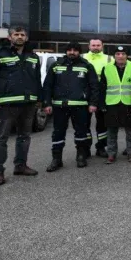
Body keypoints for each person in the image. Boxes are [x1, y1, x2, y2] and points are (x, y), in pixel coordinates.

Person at [0, 26, 42, 185]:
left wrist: (40, 99)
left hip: (28, 104)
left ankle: (20, 166)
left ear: (26, 38)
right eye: (16, 34)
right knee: (1, 139)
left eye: (22, 34)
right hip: (6, 105)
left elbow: (36, 79)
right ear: (10, 37)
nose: (20, 37)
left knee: (24, 137)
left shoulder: (33, 56)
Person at [42, 41, 99, 171]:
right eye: (69, 50)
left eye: (75, 50)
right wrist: (47, 103)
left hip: (80, 106)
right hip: (59, 106)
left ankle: (81, 156)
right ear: (66, 51)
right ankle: (56, 159)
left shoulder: (87, 66)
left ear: (79, 52)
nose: (72, 52)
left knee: (81, 133)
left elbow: (94, 86)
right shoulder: (56, 65)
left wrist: (93, 103)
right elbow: (48, 86)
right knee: (58, 133)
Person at [101, 46, 131, 164]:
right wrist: (101, 104)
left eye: (123, 54)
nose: (120, 56)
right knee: (111, 132)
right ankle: (111, 155)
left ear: (127, 56)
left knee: (130, 131)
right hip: (111, 103)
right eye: (117, 54)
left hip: (129, 104)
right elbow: (102, 87)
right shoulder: (107, 68)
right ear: (114, 56)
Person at [83, 39, 113, 158]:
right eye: (93, 45)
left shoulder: (109, 59)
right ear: (89, 46)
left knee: (102, 123)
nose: (96, 47)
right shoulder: (82, 57)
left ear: (102, 46)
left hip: (103, 93)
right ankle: (85, 148)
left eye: (98, 45)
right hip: (85, 93)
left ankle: (101, 147)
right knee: (84, 123)